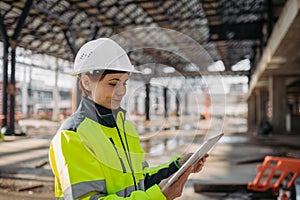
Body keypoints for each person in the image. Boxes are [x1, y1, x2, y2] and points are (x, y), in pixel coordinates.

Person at [49, 38, 208, 200]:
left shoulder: (125, 127)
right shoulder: (72, 135)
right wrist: (158, 197)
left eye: (124, 83)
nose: (122, 91)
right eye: (113, 84)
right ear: (86, 83)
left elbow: (140, 180)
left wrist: (177, 166)